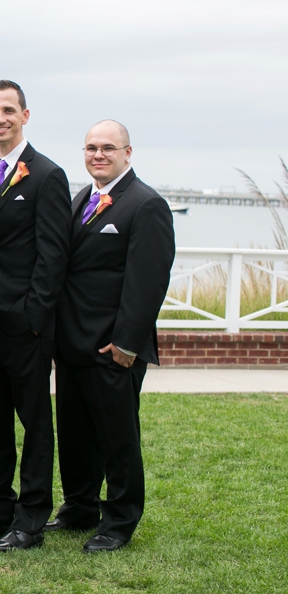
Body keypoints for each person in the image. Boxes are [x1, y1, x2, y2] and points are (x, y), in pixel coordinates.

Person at [48, 120, 174, 552]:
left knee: (118, 438)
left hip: (112, 347)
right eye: (90, 148)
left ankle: (119, 520)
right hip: (73, 343)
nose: (98, 155)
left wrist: (127, 343)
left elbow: (149, 281)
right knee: (77, 433)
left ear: (127, 152)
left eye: (107, 148)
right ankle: (79, 507)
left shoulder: (146, 205)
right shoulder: (81, 198)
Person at [0, 80, 71, 551]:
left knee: (35, 423)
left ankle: (31, 518)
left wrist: (33, 317)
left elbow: (53, 255)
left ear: (25, 115)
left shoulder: (47, 175)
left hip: (24, 325)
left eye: (8, 109)